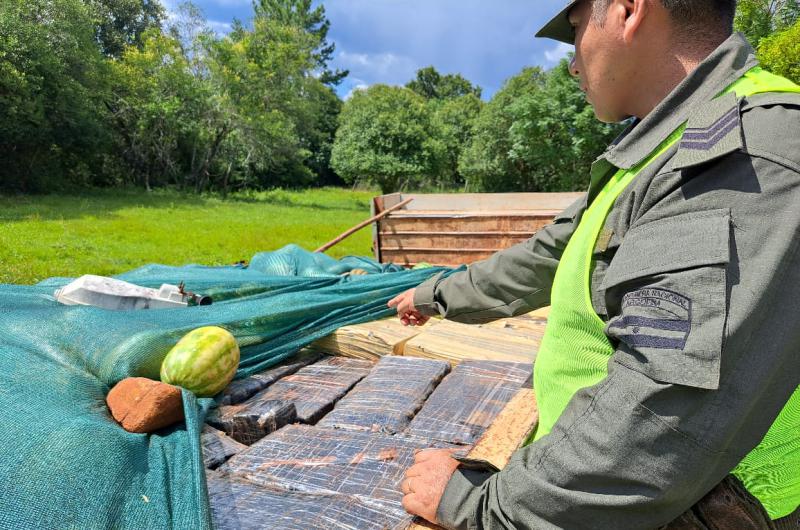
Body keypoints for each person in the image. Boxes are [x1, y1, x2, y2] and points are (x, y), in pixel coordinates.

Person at [388, 0, 800, 528]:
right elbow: (548, 255)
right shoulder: (664, 146)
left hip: (706, 510)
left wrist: (476, 505)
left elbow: (654, 423)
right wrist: (434, 294)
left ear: (628, 11)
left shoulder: (747, 153)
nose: (571, 62)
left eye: (576, 29)